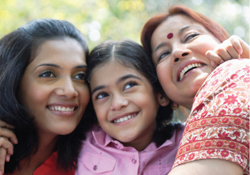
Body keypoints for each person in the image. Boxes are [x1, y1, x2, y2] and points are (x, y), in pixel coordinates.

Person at [141, 4, 249, 175]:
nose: (177, 52)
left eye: (190, 36)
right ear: (162, 94)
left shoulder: (233, 71)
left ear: (222, 41)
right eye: (163, 54)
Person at [0, 18, 95, 174]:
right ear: (14, 82)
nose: (70, 91)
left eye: (80, 76)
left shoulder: (95, 163)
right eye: (48, 74)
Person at [75, 40, 184, 174]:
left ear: (160, 94)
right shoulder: (83, 142)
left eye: (129, 85)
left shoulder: (190, 141)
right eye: (102, 95)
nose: (117, 104)